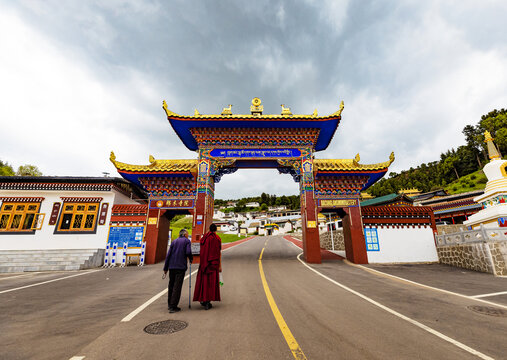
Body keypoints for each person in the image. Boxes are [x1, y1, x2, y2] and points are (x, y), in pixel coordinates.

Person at [163, 228, 193, 313]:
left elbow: (168, 255)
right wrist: (191, 258)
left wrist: (165, 268)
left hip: (172, 267)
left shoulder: (174, 241)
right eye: (187, 234)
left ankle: (169, 304)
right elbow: (188, 252)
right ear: (185, 234)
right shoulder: (187, 241)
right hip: (180, 267)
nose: (188, 235)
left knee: (171, 285)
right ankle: (173, 306)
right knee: (177, 286)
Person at [193, 223, 222, 310]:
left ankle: (203, 299)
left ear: (209, 229)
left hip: (204, 264)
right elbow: (219, 252)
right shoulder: (217, 239)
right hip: (213, 264)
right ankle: (207, 302)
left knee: (203, 283)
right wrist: (220, 265)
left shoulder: (204, 238)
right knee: (211, 283)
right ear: (216, 230)